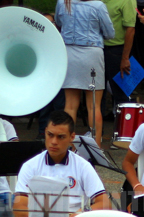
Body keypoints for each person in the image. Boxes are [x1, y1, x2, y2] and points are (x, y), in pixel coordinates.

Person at [56, 0, 115, 146]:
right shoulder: (98, 5)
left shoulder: (62, 3)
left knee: (70, 105)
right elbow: (110, 33)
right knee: (93, 105)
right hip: (92, 54)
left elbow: (59, 23)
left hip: (69, 53)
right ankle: (96, 147)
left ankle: (67, 145)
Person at [102, 0, 136, 118]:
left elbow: (130, 29)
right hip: (99, 49)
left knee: (121, 93)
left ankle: (125, 130)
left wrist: (125, 58)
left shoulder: (127, 1)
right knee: (98, 92)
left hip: (117, 50)